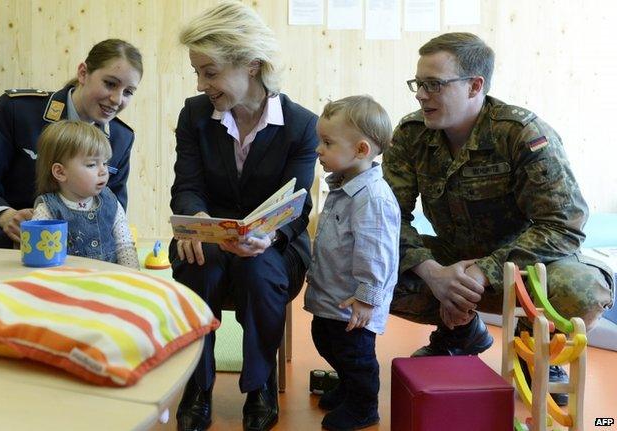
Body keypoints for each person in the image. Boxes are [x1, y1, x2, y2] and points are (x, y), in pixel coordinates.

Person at [383, 32, 614, 406]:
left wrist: (483, 271)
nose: (421, 95)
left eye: (433, 85)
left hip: (526, 267)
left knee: (584, 289)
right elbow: (386, 219)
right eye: (418, 83)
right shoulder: (412, 135)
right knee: (358, 264)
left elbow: (563, 225)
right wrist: (432, 272)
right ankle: (459, 334)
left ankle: (533, 349)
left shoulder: (522, 135)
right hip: (452, 262)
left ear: (475, 86)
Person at [169, 2, 318, 430]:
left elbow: (298, 203)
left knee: (258, 271)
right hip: (211, 238)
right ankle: (198, 386)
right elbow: (187, 184)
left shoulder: (301, 125)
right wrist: (195, 215)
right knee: (200, 265)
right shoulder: (194, 115)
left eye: (210, 72)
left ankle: (260, 385)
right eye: (197, 72)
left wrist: (268, 237)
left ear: (251, 65)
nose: (201, 83)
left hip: (276, 245)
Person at [304, 95, 400, 431]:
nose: (318, 149)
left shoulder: (372, 197)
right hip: (333, 294)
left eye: (327, 143)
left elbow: (377, 252)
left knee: (355, 356)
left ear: (361, 150)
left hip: (353, 302)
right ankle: (347, 388)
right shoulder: (345, 187)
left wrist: (366, 297)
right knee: (326, 339)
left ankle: (363, 407)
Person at [0, 38, 143, 248]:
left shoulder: (121, 137)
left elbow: (113, 209)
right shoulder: (17, 111)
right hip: (12, 237)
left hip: (81, 247)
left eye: (128, 92)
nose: (117, 99)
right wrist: (4, 215)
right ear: (83, 73)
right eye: (110, 84)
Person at [31, 120, 139, 268]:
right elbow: (40, 256)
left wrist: (132, 279)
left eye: (105, 163)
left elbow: (125, 245)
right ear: (60, 172)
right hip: (68, 284)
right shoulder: (48, 209)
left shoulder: (110, 202)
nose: (103, 171)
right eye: (91, 164)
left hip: (109, 281)